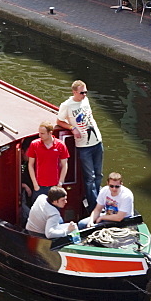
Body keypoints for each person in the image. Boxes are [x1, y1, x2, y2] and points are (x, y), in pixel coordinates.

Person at [57, 80, 103, 210]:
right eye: (82, 93)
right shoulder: (67, 105)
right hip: (84, 146)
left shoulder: (86, 100)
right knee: (90, 177)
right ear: (74, 92)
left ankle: (99, 201)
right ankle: (94, 206)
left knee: (99, 175)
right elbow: (59, 121)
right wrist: (72, 128)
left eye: (86, 92)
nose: (84, 95)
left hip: (97, 142)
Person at [26, 122, 69, 196]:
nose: (40, 135)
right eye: (39, 133)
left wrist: (60, 183)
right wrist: (35, 184)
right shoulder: (34, 144)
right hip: (39, 186)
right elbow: (30, 165)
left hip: (55, 186)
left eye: (42, 133)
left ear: (50, 133)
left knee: (54, 207)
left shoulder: (60, 145)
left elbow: (64, 164)